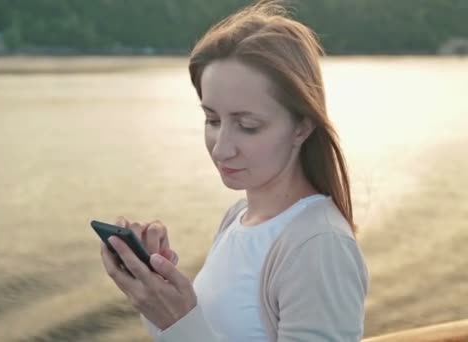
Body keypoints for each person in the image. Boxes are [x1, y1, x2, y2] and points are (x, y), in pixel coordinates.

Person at [98, 1, 369, 341]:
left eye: (248, 125)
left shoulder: (318, 246)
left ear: (302, 127)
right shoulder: (237, 217)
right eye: (212, 120)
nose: (221, 147)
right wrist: (158, 297)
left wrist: (180, 321)